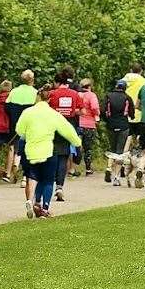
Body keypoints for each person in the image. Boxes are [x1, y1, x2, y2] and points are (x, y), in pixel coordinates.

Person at [14, 85, 81, 218]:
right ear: (49, 100)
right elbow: (67, 130)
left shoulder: (27, 112)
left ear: (37, 97)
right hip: (48, 151)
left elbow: (19, 131)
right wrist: (77, 143)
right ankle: (45, 207)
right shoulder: (53, 114)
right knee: (48, 180)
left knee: (36, 178)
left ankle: (36, 201)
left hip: (31, 151)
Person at [49, 72, 82, 200]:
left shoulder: (52, 94)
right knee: (63, 157)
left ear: (57, 82)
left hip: (53, 128)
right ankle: (59, 186)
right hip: (68, 128)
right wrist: (72, 111)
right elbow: (82, 111)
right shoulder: (75, 94)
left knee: (52, 155)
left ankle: (49, 183)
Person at [5, 69, 39, 188]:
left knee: (14, 146)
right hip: (29, 124)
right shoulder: (35, 92)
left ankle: (13, 166)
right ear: (32, 80)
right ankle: (25, 177)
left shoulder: (14, 91)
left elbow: (7, 106)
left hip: (15, 123)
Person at [101, 79, 134, 186]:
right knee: (120, 152)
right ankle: (116, 177)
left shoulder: (108, 96)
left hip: (111, 125)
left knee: (112, 149)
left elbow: (102, 110)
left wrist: (107, 120)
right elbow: (132, 112)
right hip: (123, 126)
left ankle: (109, 168)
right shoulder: (127, 98)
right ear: (124, 88)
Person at [76, 78, 100, 177]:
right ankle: (88, 168)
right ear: (90, 86)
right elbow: (94, 108)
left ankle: (74, 167)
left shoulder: (77, 94)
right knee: (88, 148)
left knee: (77, 146)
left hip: (78, 123)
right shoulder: (92, 95)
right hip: (89, 124)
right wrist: (97, 114)